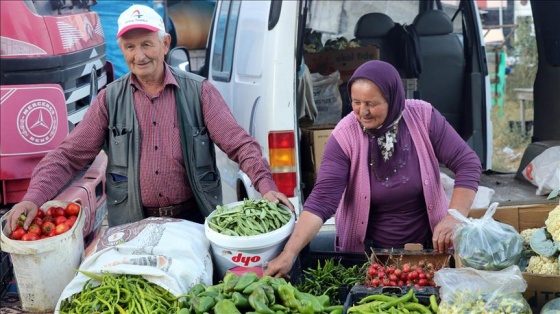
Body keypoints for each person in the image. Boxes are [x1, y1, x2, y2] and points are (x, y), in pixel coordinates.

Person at [6, 4, 294, 233]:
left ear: (165, 43)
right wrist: (33, 198)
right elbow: (68, 156)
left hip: (192, 222)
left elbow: (241, 145)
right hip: (133, 226)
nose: (139, 55)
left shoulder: (199, 92)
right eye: (130, 47)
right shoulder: (109, 99)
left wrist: (266, 187)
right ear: (122, 50)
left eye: (147, 44)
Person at [264, 60, 481, 278]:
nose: (362, 112)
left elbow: (467, 163)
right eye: (356, 102)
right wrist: (289, 253)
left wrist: (454, 217)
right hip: (368, 260)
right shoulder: (345, 135)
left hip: (429, 254)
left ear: (393, 99)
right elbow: (323, 198)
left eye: (371, 103)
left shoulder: (423, 117)